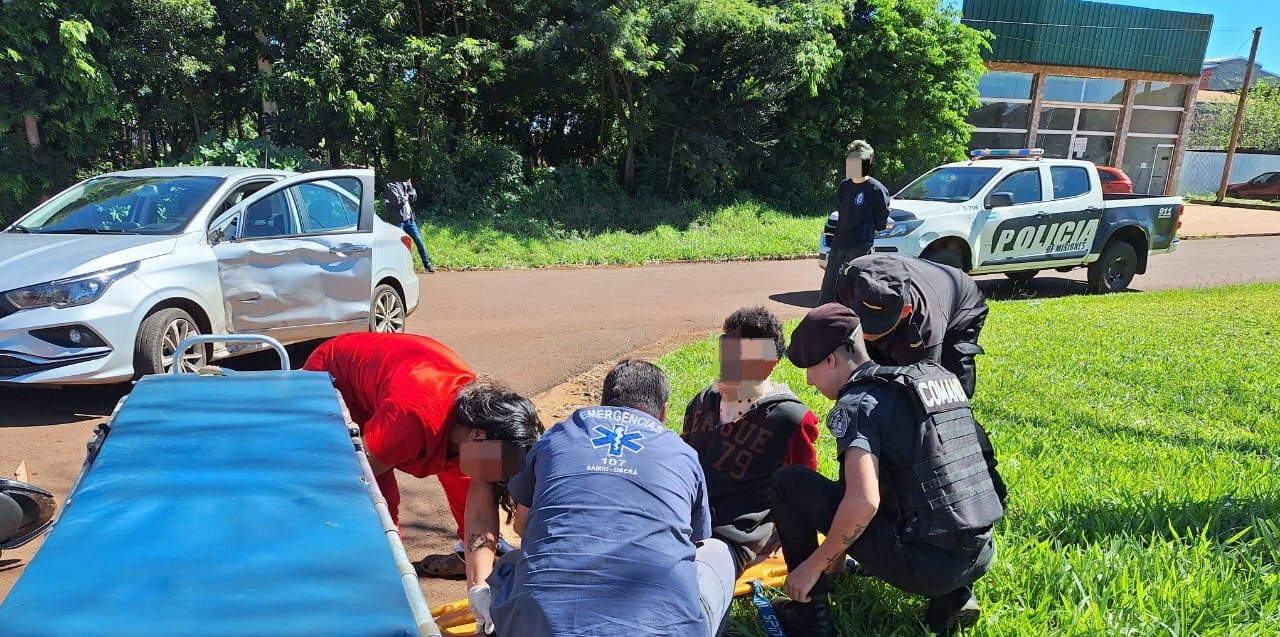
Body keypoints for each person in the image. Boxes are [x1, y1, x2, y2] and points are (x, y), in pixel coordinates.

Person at [769, 304, 1005, 636]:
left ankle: (809, 615)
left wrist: (815, 564)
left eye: (809, 369)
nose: (809, 381)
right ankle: (953, 596)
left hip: (925, 565)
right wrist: (836, 562)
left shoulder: (858, 404)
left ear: (831, 360)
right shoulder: (924, 382)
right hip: (980, 552)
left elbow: (863, 502)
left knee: (788, 483)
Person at [476, 360, 736, 637]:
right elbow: (696, 540)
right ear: (663, 412)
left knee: (512, 564)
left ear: (603, 402)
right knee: (718, 552)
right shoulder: (682, 453)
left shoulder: (557, 437)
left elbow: (522, 526)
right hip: (662, 627)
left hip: (542, 625)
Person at [302, 332, 542, 590]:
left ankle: (467, 558)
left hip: (409, 377)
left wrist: (479, 589)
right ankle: (387, 578)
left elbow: (481, 514)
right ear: (478, 435)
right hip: (336, 378)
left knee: (466, 486)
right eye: (499, 460)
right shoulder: (412, 420)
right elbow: (360, 488)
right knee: (380, 499)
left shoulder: (479, 424)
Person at [681, 307, 820, 581]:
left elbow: (804, 488)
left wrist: (787, 533)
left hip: (737, 536)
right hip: (686, 519)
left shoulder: (790, 418)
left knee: (689, 579)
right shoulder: (702, 402)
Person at [837, 253, 988, 398]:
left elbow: (925, 381)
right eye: (863, 321)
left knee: (947, 383)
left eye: (877, 327)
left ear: (905, 311)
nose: (866, 334)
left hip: (960, 302)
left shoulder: (925, 328)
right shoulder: (849, 280)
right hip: (920, 280)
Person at [818, 140, 891, 305]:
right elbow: (842, 212)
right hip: (838, 246)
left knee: (853, 291)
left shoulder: (877, 190)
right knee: (829, 290)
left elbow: (881, 222)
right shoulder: (845, 186)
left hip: (860, 248)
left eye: (861, 162)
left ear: (869, 162)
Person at [385, 169, 433, 273]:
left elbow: (413, 197)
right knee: (399, 246)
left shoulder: (404, 184)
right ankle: (398, 268)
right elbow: (398, 202)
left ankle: (427, 264)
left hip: (409, 220)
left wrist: (410, 186)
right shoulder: (390, 186)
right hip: (397, 221)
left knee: (419, 241)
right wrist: (406, 196)